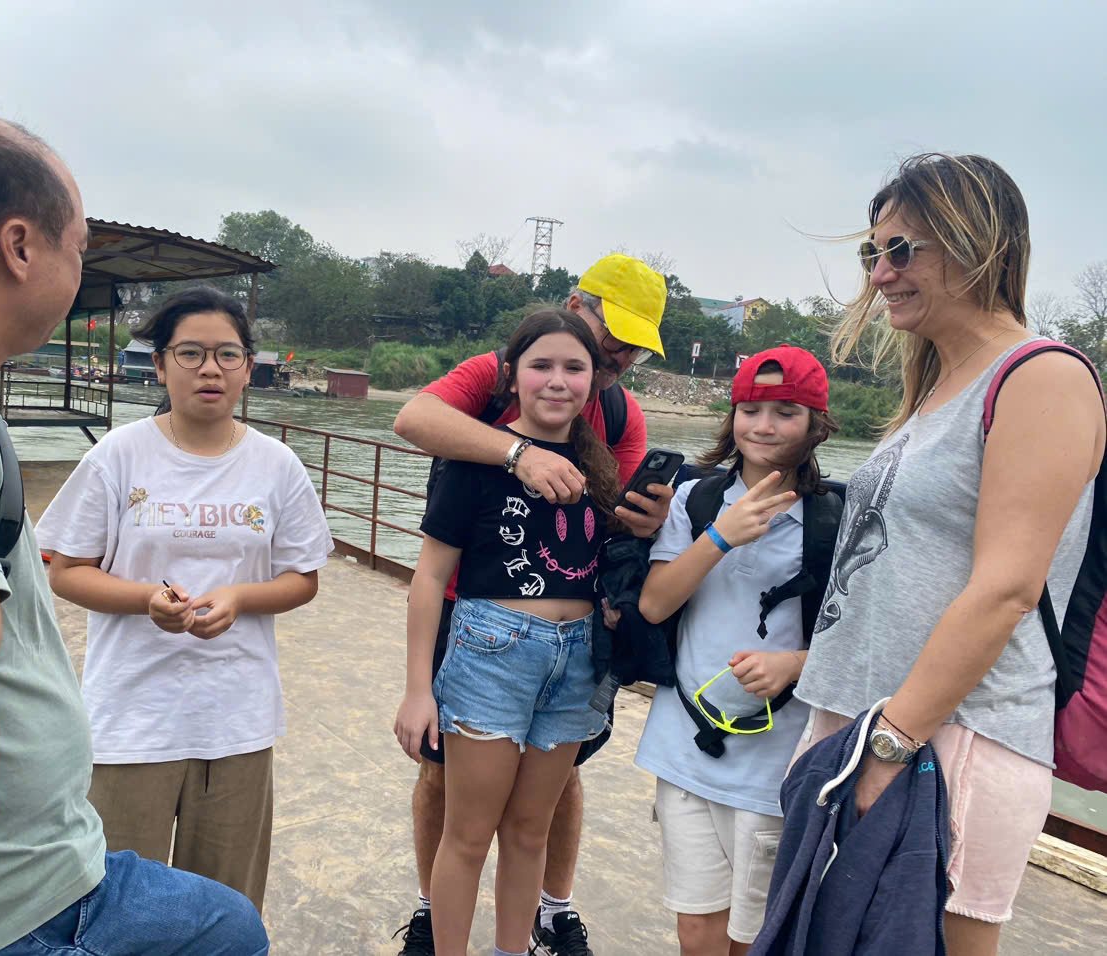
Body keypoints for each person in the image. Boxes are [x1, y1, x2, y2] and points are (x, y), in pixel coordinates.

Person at [0, 114, 268, 954]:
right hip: (21, 898)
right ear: (20, 247)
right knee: (228, 930)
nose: (79, 269)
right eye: (79, 247)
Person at [792, 153, 1104, 956]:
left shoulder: (1042, 377)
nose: (880, 274)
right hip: (867, 724)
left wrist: (889, 745)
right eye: (873, 253)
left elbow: (1007, 588)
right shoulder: (936, 386)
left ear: (977, 246)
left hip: (946, 741)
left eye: (901, 250)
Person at [390, 253, 673, 956]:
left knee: (540, 809)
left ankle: (548, 913)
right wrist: (518, 455)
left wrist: (647, 527)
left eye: (631, 350)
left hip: (571, 646)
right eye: (613, 338)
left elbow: (610, 530)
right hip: (479, 623)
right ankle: (434, 917)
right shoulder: (488, 382)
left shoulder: (617, 414)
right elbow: (414, 418)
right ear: (578, 306)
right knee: (449, 790)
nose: (615, 358)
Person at [36, 286, 332, 913]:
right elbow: (66, 571)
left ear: (248, 368)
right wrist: (147, 598)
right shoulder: (118, 455)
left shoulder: (277, 465)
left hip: (236, 719)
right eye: (191, 353)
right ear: (160, 364)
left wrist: (240, 597)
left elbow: (302, 578)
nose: (209, 370)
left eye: (227, 355)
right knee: (117, 909)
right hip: (131, 719)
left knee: (223, 908)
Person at [634, 346, 839, 956]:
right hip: (683, 744)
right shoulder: (695, 500)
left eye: (786, 412)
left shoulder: (838, 518)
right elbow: (654, 604)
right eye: (750, 410)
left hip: (775, 764)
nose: (764, 426)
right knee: (695, 927)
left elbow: (866, 637)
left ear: (816, 424)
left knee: (754, 936)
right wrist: (720, 537)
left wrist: (795, 664)